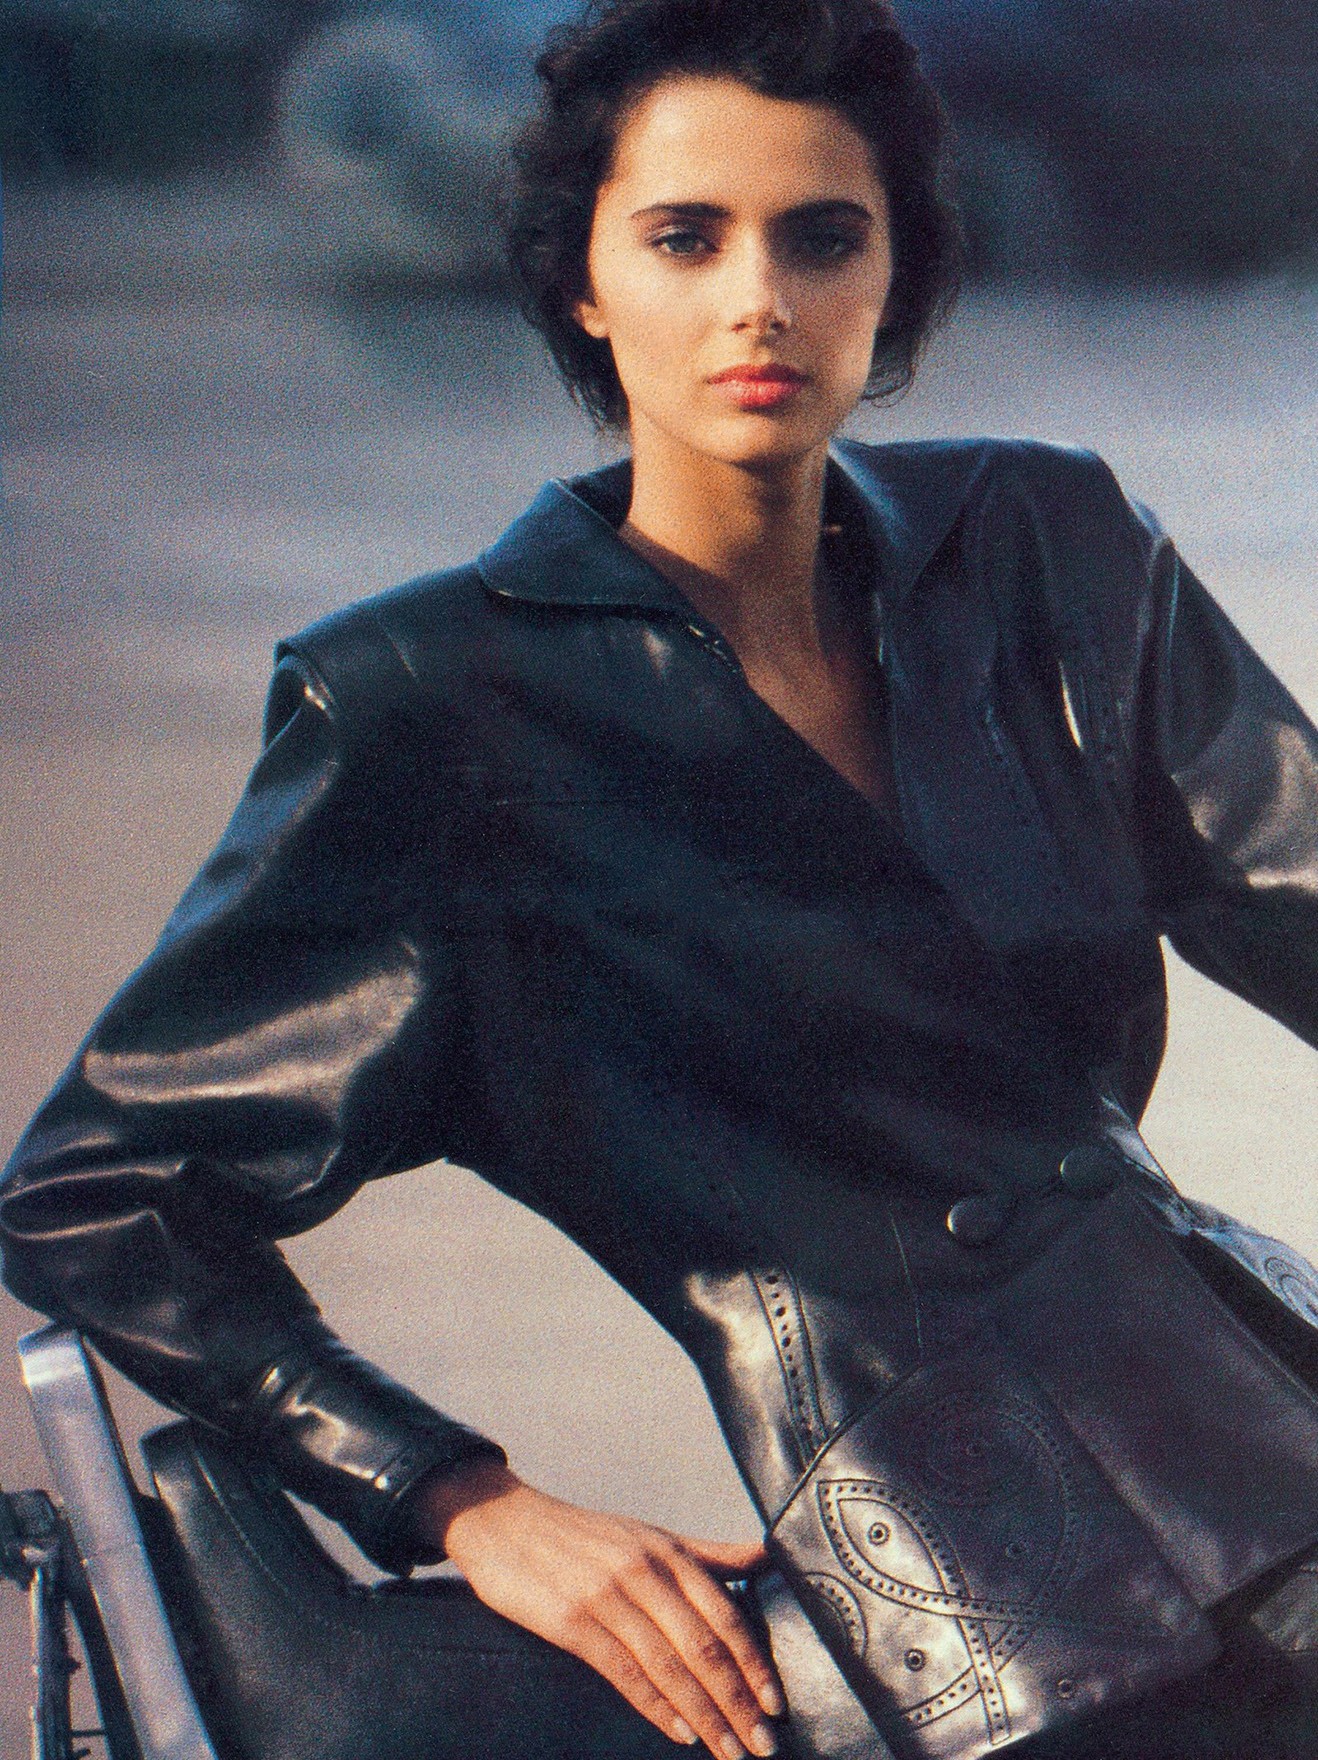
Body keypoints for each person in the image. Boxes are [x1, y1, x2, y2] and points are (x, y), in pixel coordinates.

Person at [3, 2, 1318, 1757]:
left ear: (895, 275)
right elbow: (103, 1190)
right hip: (973, 1562)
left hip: (1238, 1400)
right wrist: (459, 1497)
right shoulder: (436, 704)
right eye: (686, 239)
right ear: (583, 283)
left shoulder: (1046, 548)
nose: (758, 300)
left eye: (821, 238)